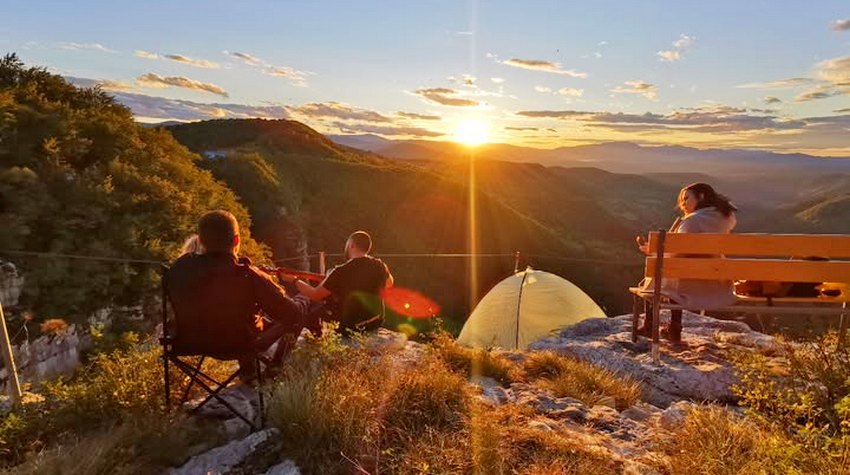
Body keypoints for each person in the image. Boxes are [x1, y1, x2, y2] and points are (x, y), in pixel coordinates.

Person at [165, 210, 310, 380]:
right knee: (298, 309)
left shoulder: (179, 268)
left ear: (201, 241)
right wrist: (301, 299)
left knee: (242, 319)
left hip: (188, 343)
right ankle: (273, 370)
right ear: (236, 240)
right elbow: (290, 313)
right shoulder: (248, 275)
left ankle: (249, 373)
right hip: (240, 344)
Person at [636, 183, 738, 342]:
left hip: (690, 282)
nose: (683, 203)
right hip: (717, 281)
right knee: (676, 274)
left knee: (656, 277)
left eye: (686, 198)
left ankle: (651, 326)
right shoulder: (726, 218)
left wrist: (654, 251)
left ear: (701, 197)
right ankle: (673, 328)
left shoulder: (691, 221)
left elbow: (676, 252)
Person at [281, 231, 394, 334]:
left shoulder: (341, 271)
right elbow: (389, 283)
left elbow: (315, 294)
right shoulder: (379, 265)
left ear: (352, 245)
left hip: (352, 327)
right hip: (375, 321)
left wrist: (294, 280)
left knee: (313, 306)